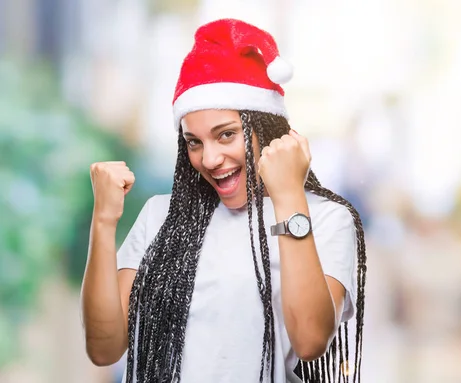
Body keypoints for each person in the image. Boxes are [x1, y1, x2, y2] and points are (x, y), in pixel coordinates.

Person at [81, 18, 367, 383]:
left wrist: (289, 196)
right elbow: (103, 349)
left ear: (268, 131)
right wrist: (104, 222)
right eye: (194, 142)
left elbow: (311, 339)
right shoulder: (160, 216)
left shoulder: (327, 219)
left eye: (226, 135)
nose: (210, 159)